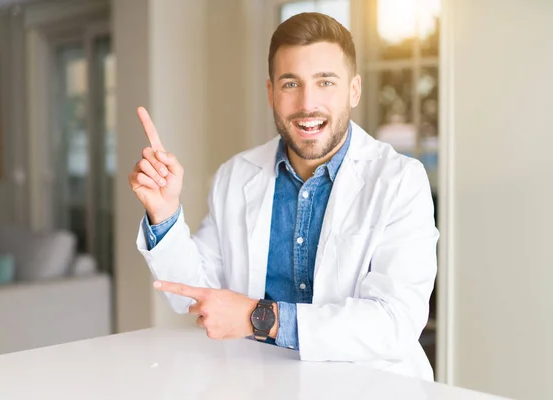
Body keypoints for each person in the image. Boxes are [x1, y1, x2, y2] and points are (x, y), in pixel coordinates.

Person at [129, 12, 438, 380]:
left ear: (353, 90)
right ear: (271, 92)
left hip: (370, 385)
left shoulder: (401, 180)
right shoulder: (236, 174)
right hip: (261, 384)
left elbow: (395, 322)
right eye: (291, 84)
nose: (308, 103)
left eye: (326, 82)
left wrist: (258, 318)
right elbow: (193, 294)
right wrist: (164, 214)